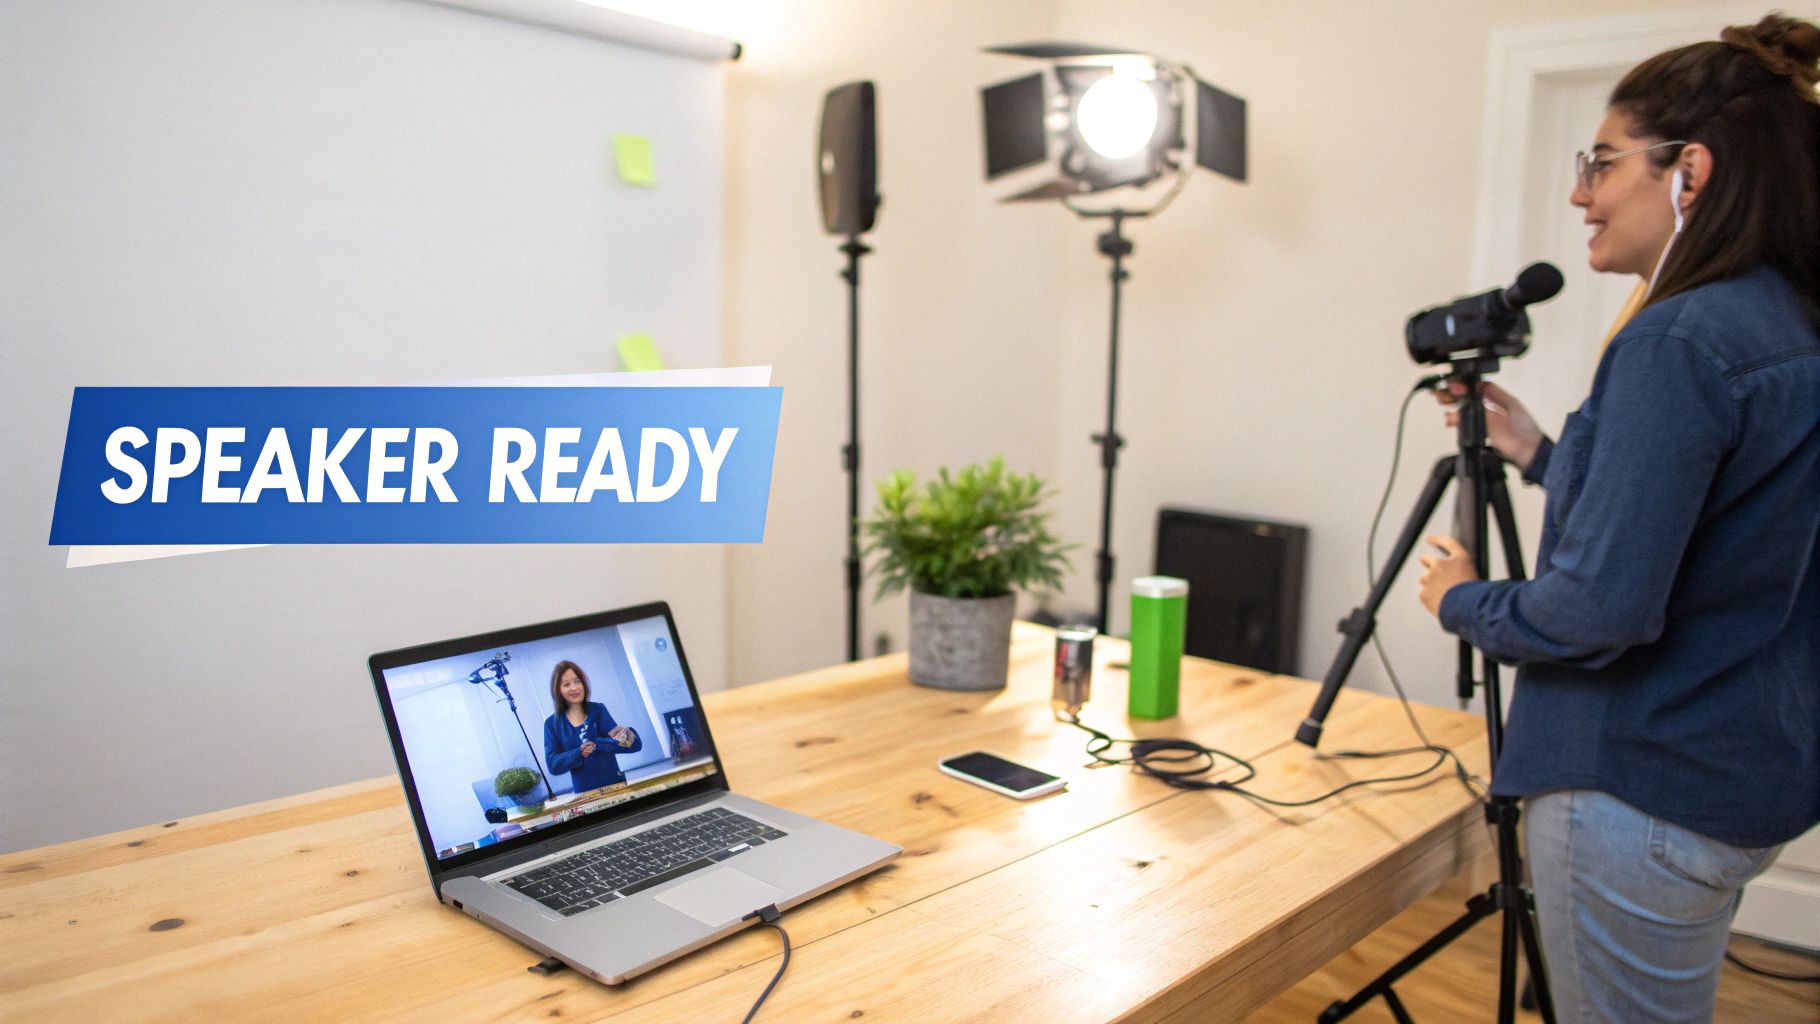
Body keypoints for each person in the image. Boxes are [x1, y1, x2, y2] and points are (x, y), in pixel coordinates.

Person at [1415, 14, 1820, 1023]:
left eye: (1599, 163)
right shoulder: (1786, 322)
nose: (1577, 193)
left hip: (1633, 789)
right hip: (1737, 772)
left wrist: (1463, 599)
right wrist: (1540, 453)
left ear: (1689, 169)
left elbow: (1598, 608)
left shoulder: (1675, 337)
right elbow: (1723, 530)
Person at [543, 660, 643, 794]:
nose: (574, 687)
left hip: (615, 786)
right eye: (567, 684)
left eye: (577, 681)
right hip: (585, 794)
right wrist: (579, 752)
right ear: (558, 690)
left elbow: (631, 745)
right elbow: (553, 765)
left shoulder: (598, 710)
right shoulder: (552, 724)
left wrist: (597, 743)